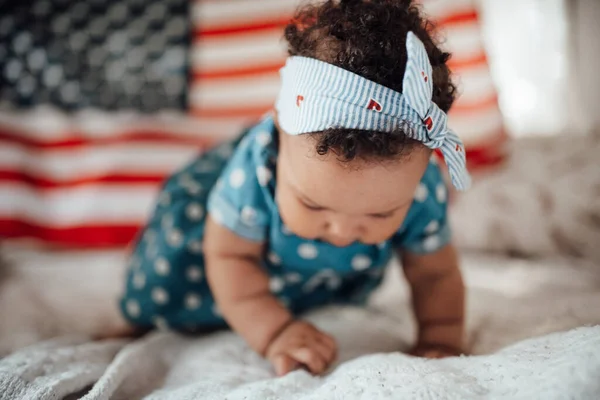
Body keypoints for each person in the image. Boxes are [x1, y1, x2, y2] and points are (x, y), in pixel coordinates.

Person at [119, 0, 470, 376]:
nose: (342, 231)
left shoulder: (419, 187)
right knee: (167, 281)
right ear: (279, 130)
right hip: (218, 255)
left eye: (382, 213)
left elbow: (435, 274)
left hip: (313, 275)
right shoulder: (257, 171)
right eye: (314, 205)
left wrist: (440, 339)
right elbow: (229, 257)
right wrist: (275, 332)